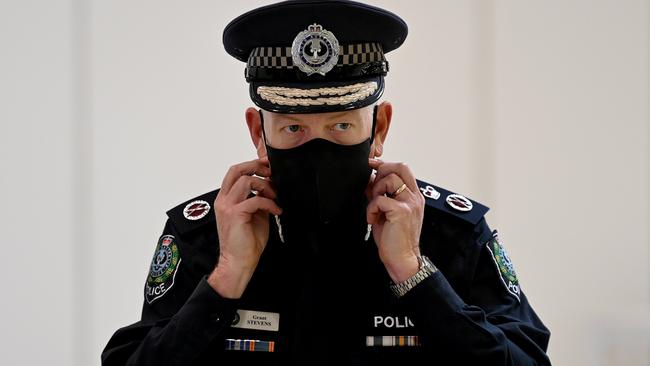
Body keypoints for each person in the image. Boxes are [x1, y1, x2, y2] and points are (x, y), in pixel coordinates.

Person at [102, 1, 551, 365]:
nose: (318, 151)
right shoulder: (204, 236)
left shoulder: (451, 234)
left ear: (379, 129)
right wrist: (226, 280)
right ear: (259, 133)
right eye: (293, 129)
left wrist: (415, 276)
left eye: (340, 128)